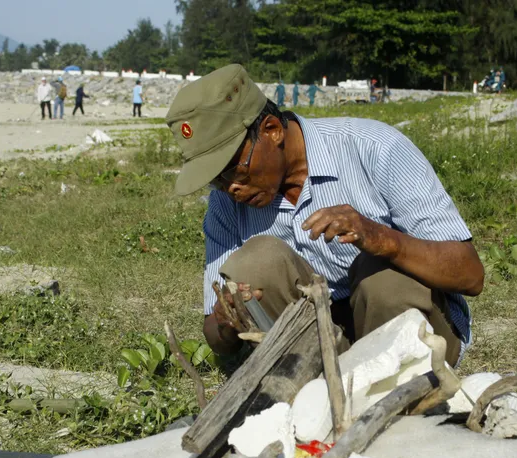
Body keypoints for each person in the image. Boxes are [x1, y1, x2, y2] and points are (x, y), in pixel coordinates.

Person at [164, 64, 483, 367]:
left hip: (411, 333)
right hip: (315, 353)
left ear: (272, 130)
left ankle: (397, 380)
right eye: (215, 178)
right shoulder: (226, 201)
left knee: (384, 276)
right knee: (254, 263)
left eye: (233, 169)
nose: (229, 187)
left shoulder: (374, 149)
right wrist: (224, 321)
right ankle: (316, 383)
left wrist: (380, 239)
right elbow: (214, 333)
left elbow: (470, 275)